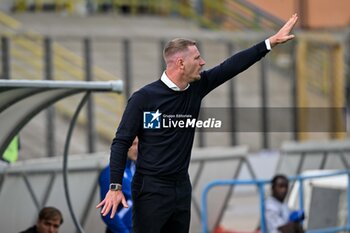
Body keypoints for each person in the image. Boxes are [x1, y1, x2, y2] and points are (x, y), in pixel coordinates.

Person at [96, 14, 299, 233]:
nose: (202, 63)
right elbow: (120, 142)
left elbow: (231, 66)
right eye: (197, 58)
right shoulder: (144, 98)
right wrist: (115, 187)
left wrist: (270, 43)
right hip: (151, 189)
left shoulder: (197, 88)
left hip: (181, 188)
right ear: (181, 63)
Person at [99, 137, 138, 233]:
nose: (137, 148)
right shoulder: (110, 173)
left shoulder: (136, 170)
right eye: (133, 144)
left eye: (139, 144)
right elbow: (107, 213)